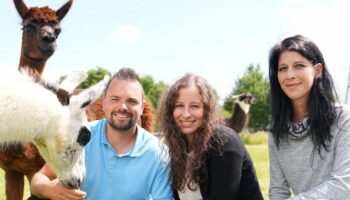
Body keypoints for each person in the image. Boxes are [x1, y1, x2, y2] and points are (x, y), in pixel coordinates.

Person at [29, 68, 173, 200]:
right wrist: (50, 189)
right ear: (104, 103)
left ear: (142, 107)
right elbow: (39, 179)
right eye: (115, 99)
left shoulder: (158, 153)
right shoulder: (80, 137)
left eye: (131, 101)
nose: (122, 107)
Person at [268, 35, 350, 199]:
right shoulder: (275, 129)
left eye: (299, 66)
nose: (289, 75)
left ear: (317, 70)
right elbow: (278, 191)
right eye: (282, 68)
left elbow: (344, 187)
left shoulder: (343, 118)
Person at [157, 73, 263, 200]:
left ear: (206, 109)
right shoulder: (175, 146)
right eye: (179, 106)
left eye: (195, 106)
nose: (186, 114)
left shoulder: (224, 142)